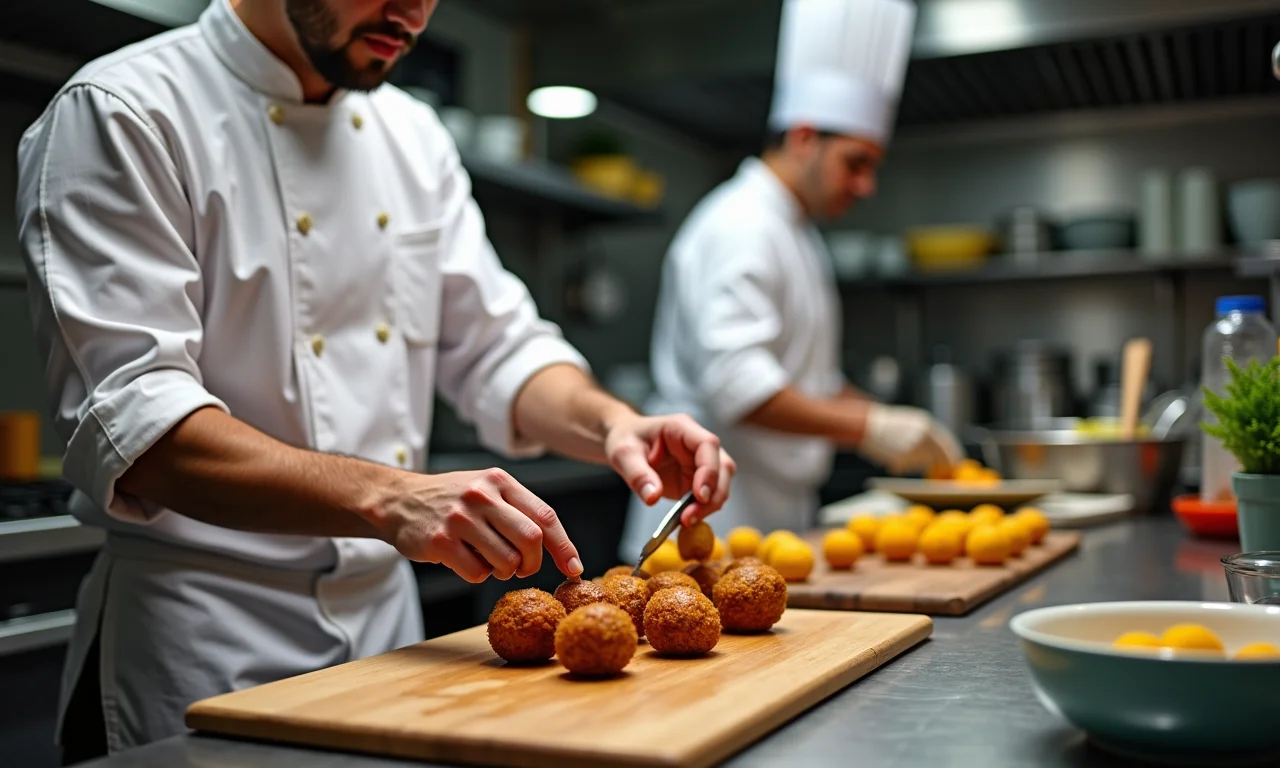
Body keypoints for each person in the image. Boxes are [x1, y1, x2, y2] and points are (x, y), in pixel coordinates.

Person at [16, 0, 735, 761]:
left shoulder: (412, 135)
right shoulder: (123, 113)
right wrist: (392, 498)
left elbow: (497, 347)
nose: (413, 14)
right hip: (203, 648)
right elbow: (143, 430)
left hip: (390, 645)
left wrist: (615, 425)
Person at [621, 0, 960, 559]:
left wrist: (886, 418)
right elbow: (740, 386)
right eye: (856, 163)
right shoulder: (740, 224)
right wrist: (868, 426)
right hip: (709, 520)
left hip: (776, 520)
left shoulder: (796, 233)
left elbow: (808, 379)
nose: (866, 185)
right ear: (804, 137)